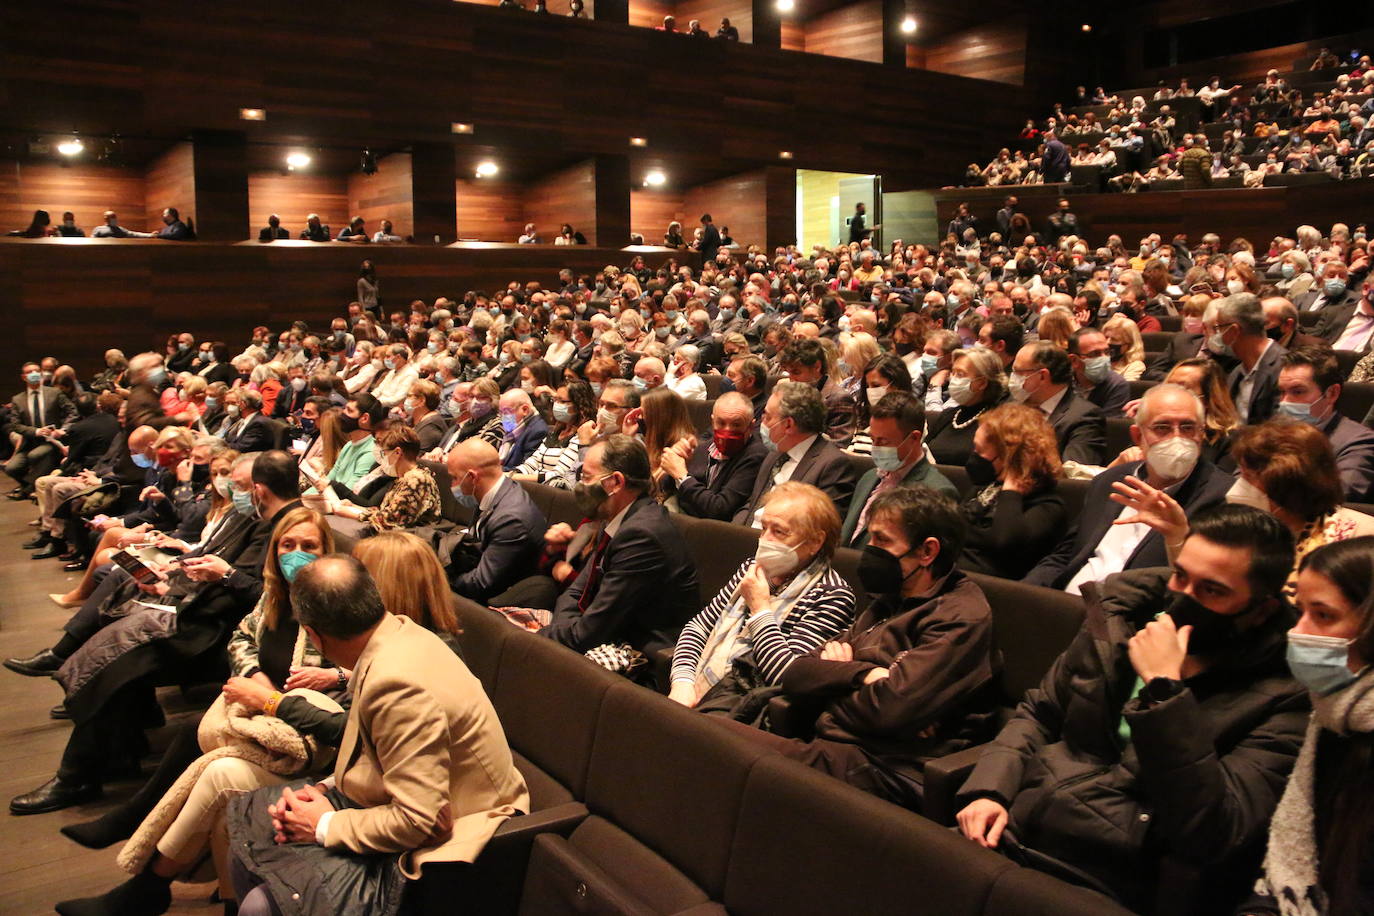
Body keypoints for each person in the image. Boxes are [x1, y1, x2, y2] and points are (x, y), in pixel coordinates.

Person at [956, 504, 1310, 913]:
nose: (1183, 598)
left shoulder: (1287, 696)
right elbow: (1040, 712)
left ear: (1261, 609)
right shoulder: (1119, 620)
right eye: (1181, 576)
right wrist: (990, 790)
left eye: (1212, 590)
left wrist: (1164, 693)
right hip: (1016, 822)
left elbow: (1212, 830)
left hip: (1109, 874)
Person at [226, 555, 529, 916]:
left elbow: (422, 821)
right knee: (253, 828)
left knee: (260, 906)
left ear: (313, 635)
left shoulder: (396, 684)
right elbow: (378, 754)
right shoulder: (398, 632)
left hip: (458, 839)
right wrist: (327, 789)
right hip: (411, 806)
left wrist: (323, 823)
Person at [9, 451, 301, 815]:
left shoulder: (292, 526)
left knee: (122, 660)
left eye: (242, 486)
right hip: (205, 612)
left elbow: (269, 594)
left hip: (219, 631)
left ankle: (76, 776)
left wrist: (220, 576)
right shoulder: (263, 516)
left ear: (258, 489)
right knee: (120, 629)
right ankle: (120, 748)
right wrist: (184, 581)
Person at [745, 485, 996, 809]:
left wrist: (835, 677)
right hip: (834, 744)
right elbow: (798, 673)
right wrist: (864, 675)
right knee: (710, 738)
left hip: (888, 767)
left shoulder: (961, 616)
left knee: (716, 747)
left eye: (882, 540)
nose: (870, 549)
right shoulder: (892, 598)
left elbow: (890, 711)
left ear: (927, 551)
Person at [1242, 536, 1374, 915]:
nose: (1298, 631)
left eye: (1324, 615)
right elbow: (1291, 864)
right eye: (1299, 610)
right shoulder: (1334, 713)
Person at [670, 481, 854, 719]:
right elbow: (699, 627)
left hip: (746, 715)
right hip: (698, 693)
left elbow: (787, 676)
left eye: (778, 531)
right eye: (764, 527)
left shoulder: (832, 595)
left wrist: (760, 609)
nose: (765, 540)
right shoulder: (752, 568)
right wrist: (682, 682)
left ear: (815, 542)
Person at [1025, 384, 1233, 593]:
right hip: (1068, 604)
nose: (1176, 438)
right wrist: (1025, 594)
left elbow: (1208, 588)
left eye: (1188, 427)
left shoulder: (1223, 497)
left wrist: (1179, 538)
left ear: (1201, 433)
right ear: (1137, 436)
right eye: (1162, 428)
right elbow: (1066, 554)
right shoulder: (1110, 480)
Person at [535, 435, 700, 656]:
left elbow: (590, 633)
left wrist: (542, 637)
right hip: (603, 633)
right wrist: (558, 629)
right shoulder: (617, 517)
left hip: (642, 654)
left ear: (616, 482)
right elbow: (577, 592)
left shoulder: (642, 535)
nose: (580, 485)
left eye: (586, 477)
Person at [958, 404, 1067, 580]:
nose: (973, 456)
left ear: (1008, 456)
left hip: (991, 590)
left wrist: (1011, 490)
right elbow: (954, 528)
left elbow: (1004, 542)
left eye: (979, 450)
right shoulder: (986, 487)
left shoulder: (1049, 506)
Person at [733, 381, 859, 527]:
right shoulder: (774, 454)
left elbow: (820, 528)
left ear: (788, 425)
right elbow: (752, 504)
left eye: (767, 417)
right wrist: (735, 533)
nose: (762, 422)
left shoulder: (832, 467)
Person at [841, 391, 956, 548]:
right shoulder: (868, 477)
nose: (875, 448)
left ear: (914, 438)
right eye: (873, 439)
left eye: (883, 441)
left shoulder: (937, 492)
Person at [446, 439, 548, 604]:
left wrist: (437, 579)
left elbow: (480, 583)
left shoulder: (511, 520)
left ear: (472, 477)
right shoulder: (496, 491)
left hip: (502, 600)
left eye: (454, 478)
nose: (452, 484)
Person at [1277, 346, 1374, 503]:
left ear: (1332, 393)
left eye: (1298, 392)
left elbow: (1336, 498)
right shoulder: (1274, 430)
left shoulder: (1359, 442)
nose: (1285, 402)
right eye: (1282, 392)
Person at [658, 392, 767, 522]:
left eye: (736, 425)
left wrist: (682, 476)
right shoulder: (705, 447)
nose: (727, 430)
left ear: (751, 426)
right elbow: (666, 486)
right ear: (712, 422)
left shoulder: (755, 455)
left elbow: (719, 508)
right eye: (721, 423)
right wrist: (677, 462)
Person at [1008, 341, 1108, 465]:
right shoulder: (1013, 405)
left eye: (1018, 372)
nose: (1013, 378)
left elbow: (1073, 475)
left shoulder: (1084, 418)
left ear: (1042, 376)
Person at [329, 426, 440, 532]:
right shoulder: (403, 478)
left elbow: (391, 521)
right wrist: (354, 506)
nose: (383, 459)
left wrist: (353, 514)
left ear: (397, 452)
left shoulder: (417, 480)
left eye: (384, 453)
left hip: (408, 541)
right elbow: (385, 512)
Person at [5, 360, 78, 496]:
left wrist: (63, 430)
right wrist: (36, 431)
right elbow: (15, 425)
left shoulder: (54, 393)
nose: (34, 374)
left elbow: (72, 412)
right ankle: (29, 486)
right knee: (11, 468)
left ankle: (26, 489)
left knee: (36, 456)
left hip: (52, 440)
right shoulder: (17, 399)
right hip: (29, 441)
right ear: (23, 377)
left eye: (36, 371)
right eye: (29, 372)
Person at [1210, 293, 1285, 424]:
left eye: (1219, 328)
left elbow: (1278, 430)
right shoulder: (1236, 372)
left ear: (1234, 330)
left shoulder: (1284, 368)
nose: (1217, 335)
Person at [925, 347, 1007, 466]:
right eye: (953, 373)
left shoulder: (996, 423)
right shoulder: (948, 415)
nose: (953, 379)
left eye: (960, 374)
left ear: (982, 383)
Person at [509, 380, 594, 488]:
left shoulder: (581, 436)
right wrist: (515, 473)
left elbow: (558, 475)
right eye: (555, 400)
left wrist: (514, 477)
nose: (557, 405)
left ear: (579, 406)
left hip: (551, 492)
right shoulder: (556, 430)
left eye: (562, 401)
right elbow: (533, 461)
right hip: (531, 485)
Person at [780, 338, 857, 446]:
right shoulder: (792, 393)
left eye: (796, 372)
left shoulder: (839, 399)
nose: (791, 379)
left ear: (817, 366)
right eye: (789, 373)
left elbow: (838, 446)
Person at [1067, 326, 1130, 418]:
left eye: (1107, 352)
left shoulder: (1117, 385)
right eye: (1094, 354)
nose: (1104, 358)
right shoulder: (1060, 381)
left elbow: (1105, 427)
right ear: (1074, 361)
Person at [496, 388, 548, 471]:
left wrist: (492, 470)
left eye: (506, 412)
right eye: (500, 412)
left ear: (525, 410)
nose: (502, 417)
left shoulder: (537, 431)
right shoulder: (514, 429)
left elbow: (525, 470)